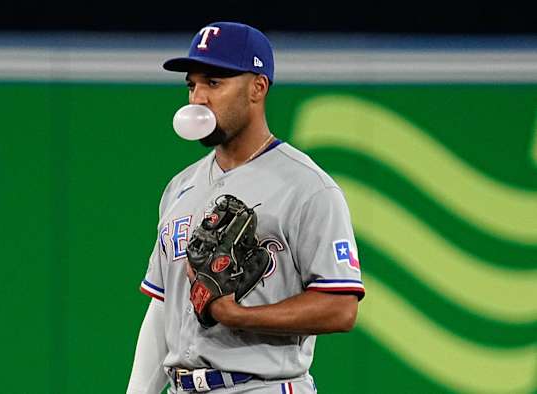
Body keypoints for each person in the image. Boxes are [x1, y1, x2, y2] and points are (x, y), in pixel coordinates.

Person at [127, 21, 365, 394]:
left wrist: (240, 316)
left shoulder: (308, 187)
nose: (198, 98)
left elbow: (341, 307)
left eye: (214, 82)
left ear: (258, 87)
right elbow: (162, 309)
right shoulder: (179, 188)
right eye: (192, 84)